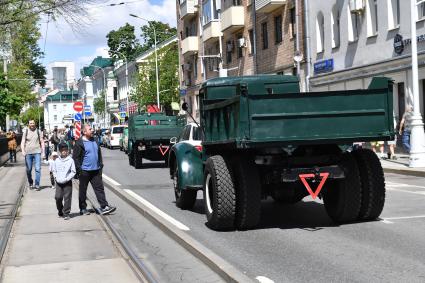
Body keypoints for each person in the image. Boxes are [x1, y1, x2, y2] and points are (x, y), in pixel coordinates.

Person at [73, 124, 116, 215]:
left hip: (96, 170)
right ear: (84, 132)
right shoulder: (79, 143)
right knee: (83, 190)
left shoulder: (95, 140)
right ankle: (83, 208)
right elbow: (75, 158)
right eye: (90, 129)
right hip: (84, 171)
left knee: (99, 188)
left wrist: (100, 165)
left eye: (92, 129)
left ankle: (104, 206)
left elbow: (99, 154)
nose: (92, 130)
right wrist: (79, 170)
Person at [53, 143, 76, 220]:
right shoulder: (56, 160)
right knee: (58, 197)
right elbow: (54, 170)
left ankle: (66, 213)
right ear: (59, 151)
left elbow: (73, 171)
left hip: (67, 182)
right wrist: (56, 177)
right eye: (62, 150)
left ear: (68, 151)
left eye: (66, 150)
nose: (64, 152)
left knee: (67, 198)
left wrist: (67, 178)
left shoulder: (71, 160)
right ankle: (60, 210)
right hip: (59, 182)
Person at [21, 120, 44, 190]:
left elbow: (42, 142)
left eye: (33, 123)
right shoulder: (26, 131)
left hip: (37, 152)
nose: (32, 124)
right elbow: (23, 142)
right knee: (29, 169)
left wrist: (43, 152)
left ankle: (37, 184)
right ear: (28, 124)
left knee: (38, 169)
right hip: (28, 153)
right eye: (30, 123)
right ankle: (30, 182)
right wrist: (23, 151)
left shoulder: (38, 131)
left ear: (35, 124)